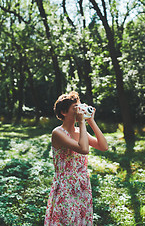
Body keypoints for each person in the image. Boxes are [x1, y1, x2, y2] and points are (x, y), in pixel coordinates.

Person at [44, 91, 108, 226]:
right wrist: (82, 122)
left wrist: (91, 120)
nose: (79, 111)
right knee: (66, 220)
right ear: (64, 112)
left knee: (82, 221)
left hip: (82, 185)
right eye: (75, 108)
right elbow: (84, 149)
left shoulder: (80, 132)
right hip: (65, 187)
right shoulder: (58, 133)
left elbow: (103, 146)